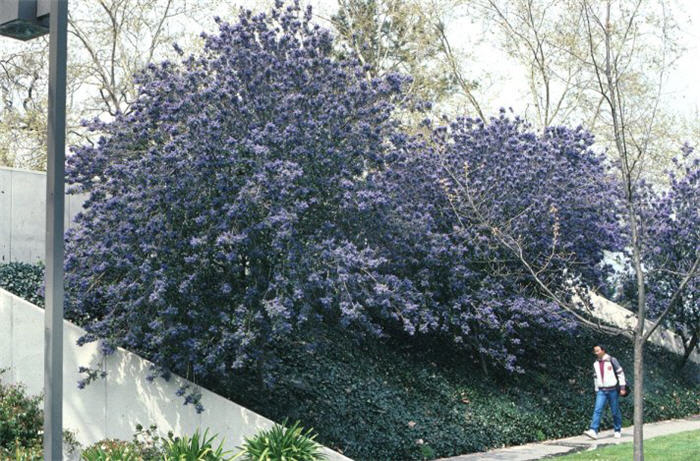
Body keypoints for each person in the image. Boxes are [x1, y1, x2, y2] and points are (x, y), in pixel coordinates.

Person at [583, 345, 627, 440]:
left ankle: (617, 430)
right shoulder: (595, 364)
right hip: (601, 390)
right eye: (595, 351)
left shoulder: (612, 360)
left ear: (603, 350)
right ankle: (593, 430)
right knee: (597, 410)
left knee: (615, 410)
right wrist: (596, 389)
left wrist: (622, 387)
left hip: (612, 389)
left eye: (598, 350)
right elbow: (595, 377)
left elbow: (620, 373)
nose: (596, 353)